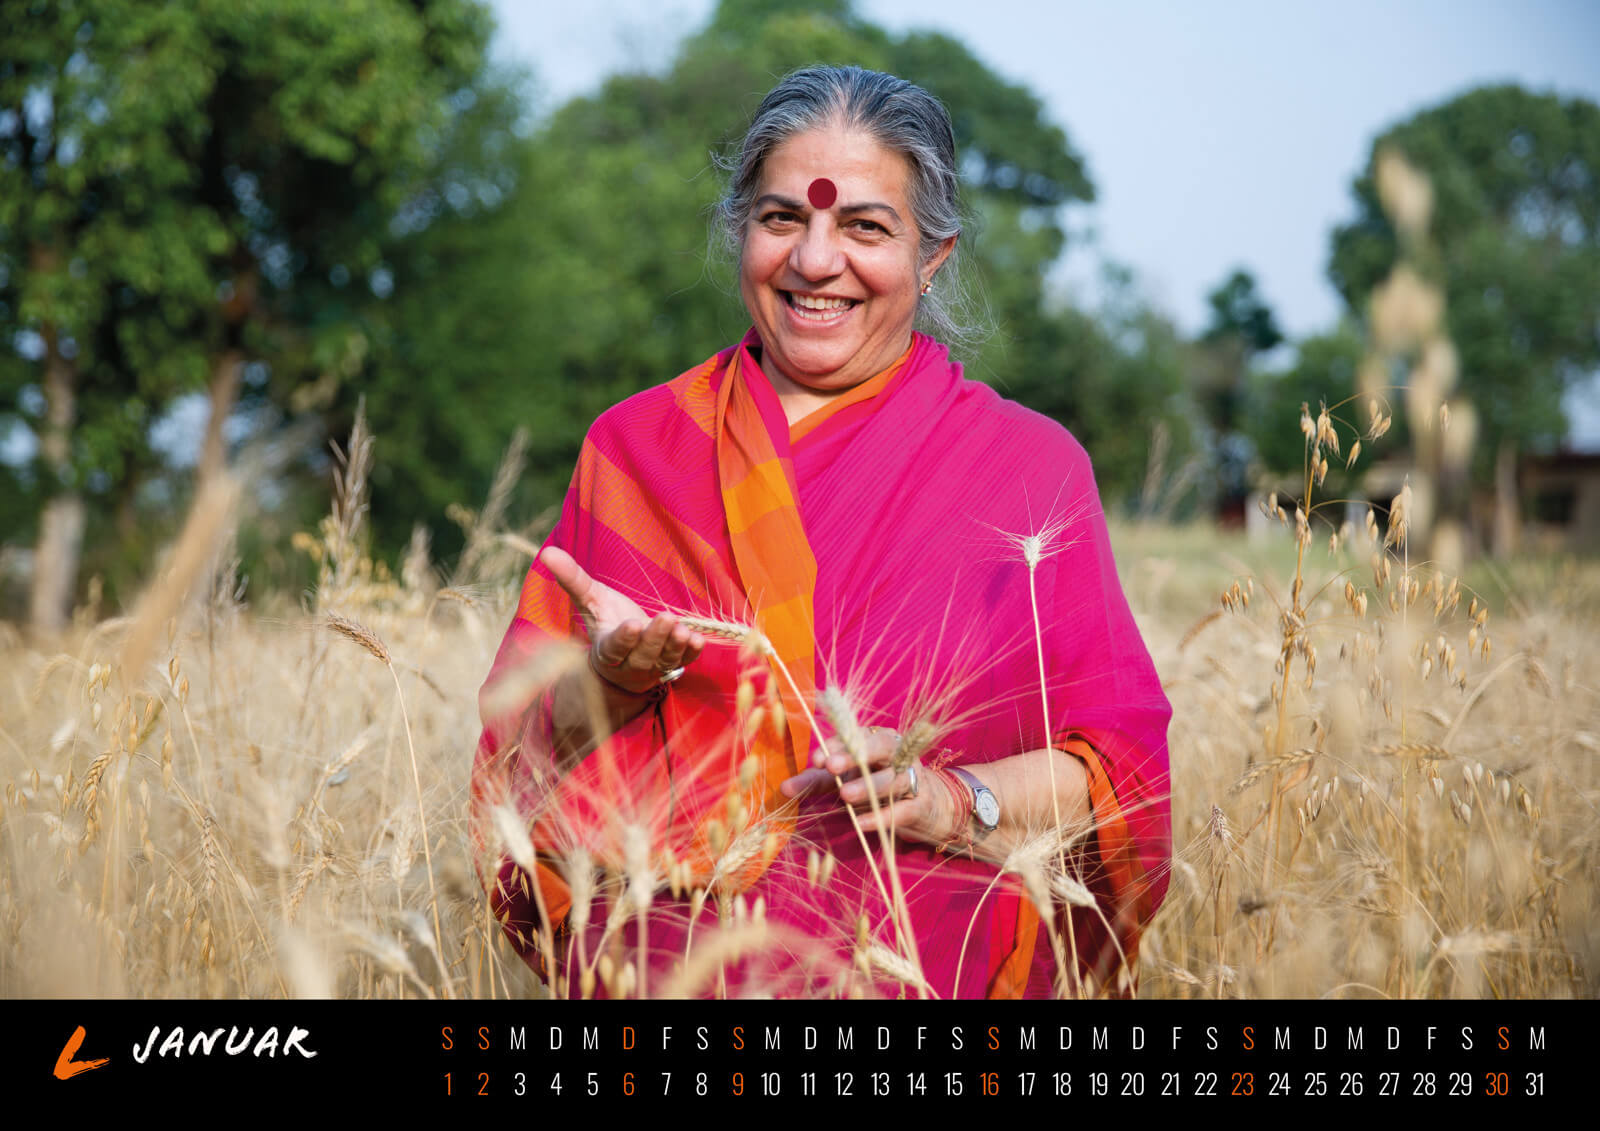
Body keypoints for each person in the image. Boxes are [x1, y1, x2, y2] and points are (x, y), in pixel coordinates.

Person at [471, 64, 1171, 999]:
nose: (813, 260)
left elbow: (1115, 774)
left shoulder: (1026, 472)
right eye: (782, 218)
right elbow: (520, 766)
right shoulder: (638, 449)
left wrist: (951, 801)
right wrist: (606, 682)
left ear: (934, 256)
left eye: (865, 227)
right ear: (739, 230)